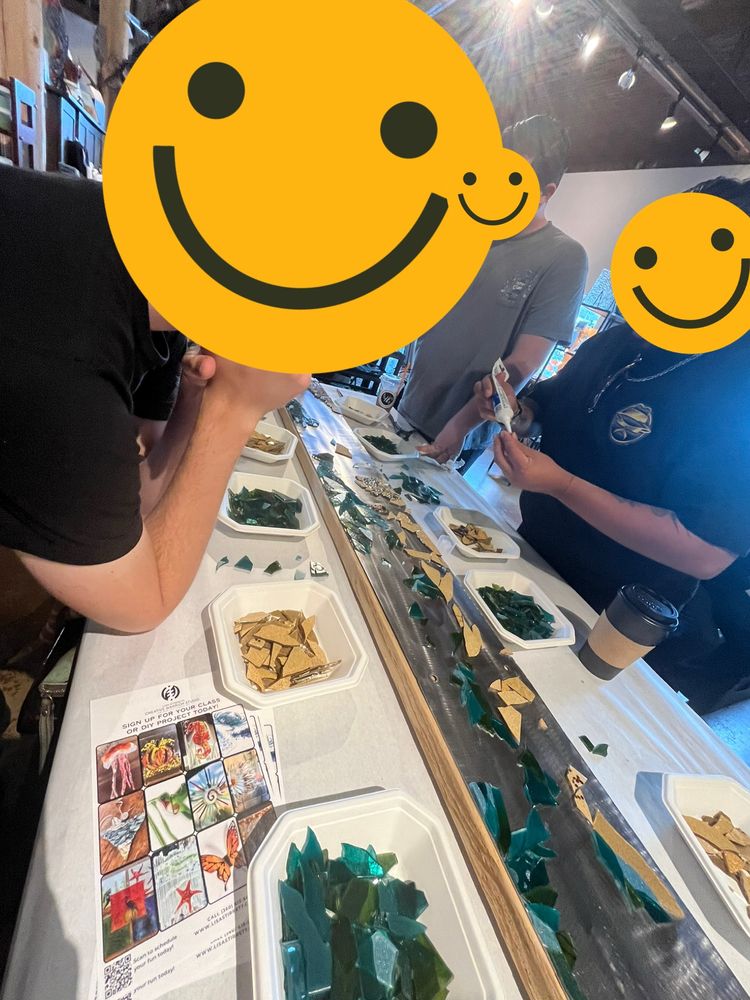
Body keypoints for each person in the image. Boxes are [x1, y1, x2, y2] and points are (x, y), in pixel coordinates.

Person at [462, 176, 750, 703]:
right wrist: (514, 410)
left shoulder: (737, 381)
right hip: (533, 561)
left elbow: (706, 550)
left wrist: (563, 485)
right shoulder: (626, 339)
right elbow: (549, 407)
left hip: (619, 624)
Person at [0, 166, 308, 634]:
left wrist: (202, 398)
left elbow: (140, 504)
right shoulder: (66, 343)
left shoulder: (152, 282)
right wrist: (235, 409)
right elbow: (143, 602)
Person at [398, 115, 588, 468]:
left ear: (547, 192)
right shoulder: (472, 231)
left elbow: (525, 361)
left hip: (455, 433)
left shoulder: (565, 256)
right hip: (408, 402)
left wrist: (459, 425)